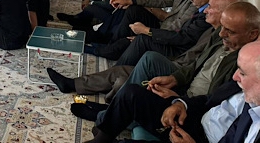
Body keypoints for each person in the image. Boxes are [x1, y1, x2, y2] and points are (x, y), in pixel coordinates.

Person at [47, 0, 242, 102]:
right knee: (121, 70)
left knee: (144, 53)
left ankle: (114, 98)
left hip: (178, 66)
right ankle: (74, 84)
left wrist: (148, 32)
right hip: (179, 65)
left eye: (211, 8)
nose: (206, 10)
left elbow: (184, 45)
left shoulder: (220, 36)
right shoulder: (215, 31)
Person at [83, 39, 260, 143]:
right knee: (131, 93)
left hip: (201, 139)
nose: (235, 76)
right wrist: (180, 104)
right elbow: (209, 100)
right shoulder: (242, 89)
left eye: (243, 73)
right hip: (194, 119)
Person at [111, 0, 218, 66]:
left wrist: (147, 31)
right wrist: (132, 1)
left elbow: (182, 37)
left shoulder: (208, 15)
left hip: (179, 52)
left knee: (142, 39)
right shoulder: (202, 4)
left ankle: (115, 72)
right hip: (171, 36)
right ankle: (114, 50)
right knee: (134, 12)